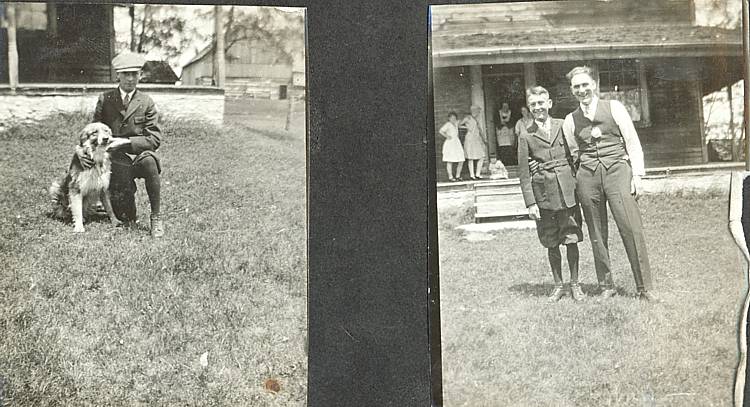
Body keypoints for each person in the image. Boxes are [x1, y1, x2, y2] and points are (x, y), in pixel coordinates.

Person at [562, 66, 655, 301]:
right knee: (596, 231)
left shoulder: (614, 108)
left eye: (585, 85)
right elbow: (573, 153)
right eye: (576, 87)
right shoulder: (570, 120)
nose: (582, 90)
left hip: (617, 171)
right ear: (572, 91)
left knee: (630, 227)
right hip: (588, 177)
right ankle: (606, 285)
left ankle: (644, 287)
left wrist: (638, 176)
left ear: (594, 84)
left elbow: (632, 142)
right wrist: (582, 174)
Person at [81, 51, 164, 237]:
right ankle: (122, 207)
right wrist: (82, 152)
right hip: (116, 160)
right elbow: (92, 131)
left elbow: (154, 139)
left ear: (140, 75)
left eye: (134, 74)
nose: (130, 78)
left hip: (139, 155)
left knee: (151, 161)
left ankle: (156, 217)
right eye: (126, 74)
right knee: (126, 216)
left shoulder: (146, 102)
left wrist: (125, 141)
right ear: (117, 75)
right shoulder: (106, 99)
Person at [518, 86, 584, 302]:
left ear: (549, 103)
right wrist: (530, 203)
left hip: (567, 192)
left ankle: (575, 284)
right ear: (529, 108)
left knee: (571, 236)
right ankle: (558, 285)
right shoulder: (525, 134)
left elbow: (575, 154)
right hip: (544, 195)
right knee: (551, 240)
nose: (538, 108)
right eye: (533, 104)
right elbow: (523, 172)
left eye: (541, 103)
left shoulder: (563, 125)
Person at [460, 105, 487, 180]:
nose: (478, 112)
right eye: (477, 111)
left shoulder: (476, 119)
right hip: (469, 139)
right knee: (470, 157)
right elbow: (459, 125)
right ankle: (472, 175)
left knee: (481, 156)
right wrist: (467, 128)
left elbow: (480, 130)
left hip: (476, 139)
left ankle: (477, 174)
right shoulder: (467, 118)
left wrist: (484, 139)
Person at [438, 111, 465, 182]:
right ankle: (450, 177)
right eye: (452, 118)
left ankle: (458, 176)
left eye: (454, 118)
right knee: (450, 160)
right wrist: (447, 136)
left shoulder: (456, 124)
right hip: (450, 144)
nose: (453, 119)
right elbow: (441, 131)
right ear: (449, 118)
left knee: (461, 159)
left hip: (457, 143)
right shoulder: (448, 124)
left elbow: (461, 121)